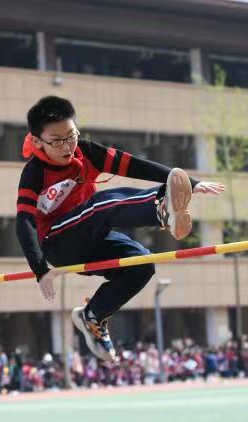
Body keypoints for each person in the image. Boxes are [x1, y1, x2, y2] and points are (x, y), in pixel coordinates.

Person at [15, 96, 224, 362]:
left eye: (72, 136)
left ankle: (92, 316)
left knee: (142, 263)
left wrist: (190, 182)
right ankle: (161, 206)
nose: (68, 146)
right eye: (57, 140)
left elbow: (132, 165)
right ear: (37, 142)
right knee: (102, 205)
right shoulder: (34, 172)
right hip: (58, 242)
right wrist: (40, 270)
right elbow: (24, 221)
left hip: (92, 237)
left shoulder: (87, 152)